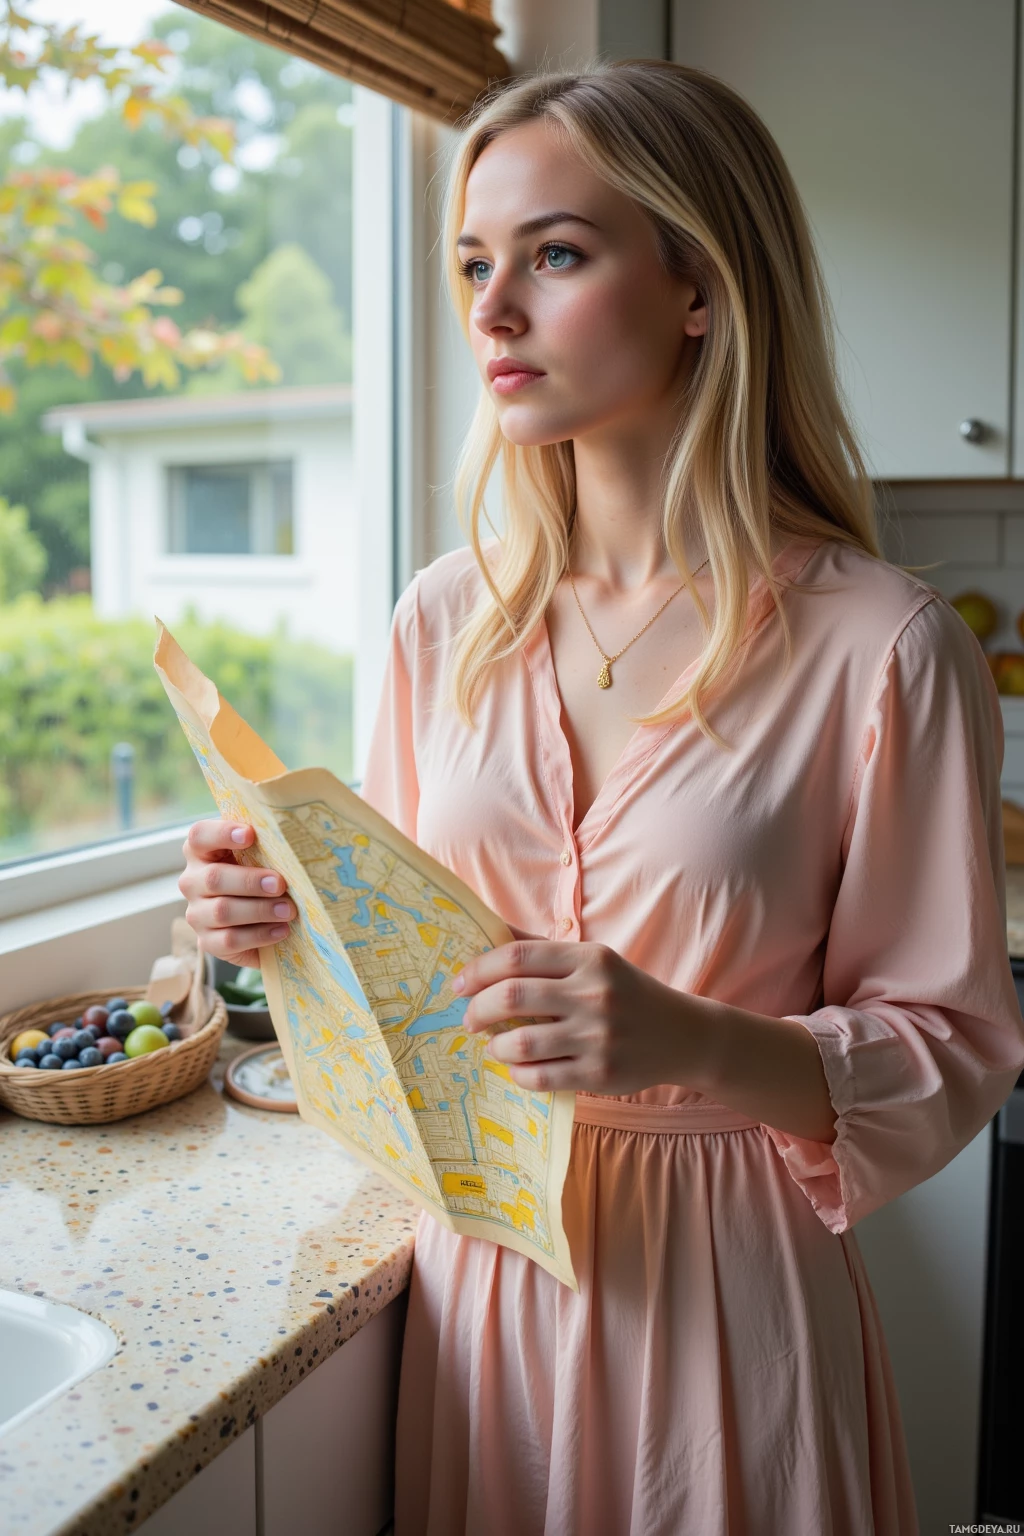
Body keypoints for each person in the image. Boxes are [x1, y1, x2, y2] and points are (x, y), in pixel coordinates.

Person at [178, 59, 1024, 1536]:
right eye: (473, 265)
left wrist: (691, 1038)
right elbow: (408, 980)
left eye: (555, 255)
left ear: (700, 284)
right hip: (484, 1284)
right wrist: (271, 922)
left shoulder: (883, 646)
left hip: (729, 1305)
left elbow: (950, 1048)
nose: (493, 311)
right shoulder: (444, 621)